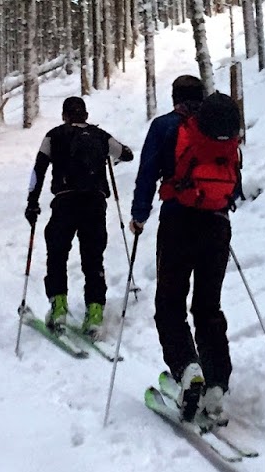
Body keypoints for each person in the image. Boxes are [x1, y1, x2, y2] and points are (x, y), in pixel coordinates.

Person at [130, 75, 243, 426]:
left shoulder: (165, 126)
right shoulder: (220, 129)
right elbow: (234, 183)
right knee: (208, 307)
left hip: (178, 223)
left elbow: (147, 172)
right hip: (217, 224)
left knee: (169, 304)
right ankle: (216, 384)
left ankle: (187, 369)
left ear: (175, 97)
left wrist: (139, 216)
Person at [26, 97, 133, 335]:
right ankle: (95, 312)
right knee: (93, 258)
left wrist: (32, 203)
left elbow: (38, 170)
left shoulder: (54, 135)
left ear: (65, 115)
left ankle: (58, 307)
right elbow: (126, 154)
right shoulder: (100, 135)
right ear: (85, 114)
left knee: (57, 254)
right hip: (94, 203)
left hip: (65, 202)